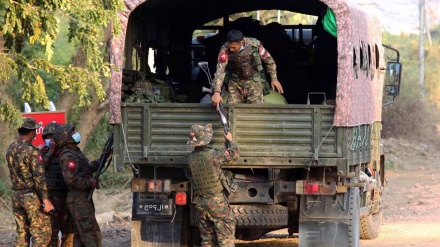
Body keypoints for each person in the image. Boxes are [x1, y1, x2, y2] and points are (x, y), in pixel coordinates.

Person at [187, 123, 240, 246]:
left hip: (200, 203)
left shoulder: (190, 158)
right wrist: (230, 141)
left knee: (207, 241)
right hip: (217, 202)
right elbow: (234, 154)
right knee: (225, 239)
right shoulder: (213, 154)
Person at [5, 117, 54, 246]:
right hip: (31, 197)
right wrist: (45, 199)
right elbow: (39, 177)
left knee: (22, 232)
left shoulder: (11, 148)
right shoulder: (32, 151)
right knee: (41, 233)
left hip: (16, 195)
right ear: (32, 132)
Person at [52, 124, 102, 247]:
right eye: (72, 132)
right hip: (78, 199)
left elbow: (88, 167)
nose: (75, 133)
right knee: (90, 232)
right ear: (66, 138)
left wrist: (102, 159)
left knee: (80, 234)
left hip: (82, 198)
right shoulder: (68, 156)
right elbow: (71, 180)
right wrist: (90, 182)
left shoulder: (76, 152)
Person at [211, 29, 284, 109]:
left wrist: (274, 79)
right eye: (230, 47)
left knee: (256, 111)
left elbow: (269, 61)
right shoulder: (225, 49)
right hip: (235, 83)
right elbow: (220, 70)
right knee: (231, 110)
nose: (231, 49)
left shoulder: (254, 45)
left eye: (234, 47)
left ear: (241, 42)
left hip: (253, 82)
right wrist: (217, 92)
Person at [38, 122, 74, 247]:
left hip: (66, 197)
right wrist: (50, 152)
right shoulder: (43, 153)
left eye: (52, 137)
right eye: (47, 137)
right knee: (51, 233)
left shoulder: (67, 153)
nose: (50, 140)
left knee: (68, 233)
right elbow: (40, 169)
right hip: (50, 199)